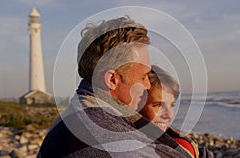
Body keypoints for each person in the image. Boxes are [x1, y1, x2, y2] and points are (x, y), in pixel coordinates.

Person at [38, 17, 193, 157]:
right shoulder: (110, 137)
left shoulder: (79, 112)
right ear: (112, 79)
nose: (147, 85)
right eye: (143, 77)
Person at [139, 65, 213, 158]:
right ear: (135, 104)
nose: (169, 115)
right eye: (158, 105)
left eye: (172, 105)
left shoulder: (179, 146)